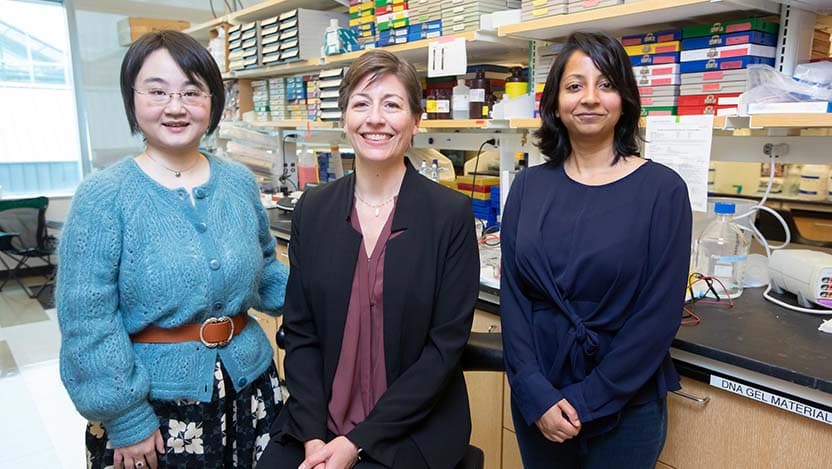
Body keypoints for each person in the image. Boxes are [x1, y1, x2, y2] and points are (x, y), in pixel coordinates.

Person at [57, 30, 289, 469]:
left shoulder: (238, 181)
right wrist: (125, 419)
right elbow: (88, 322)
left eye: (191, 91)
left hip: (252, 392)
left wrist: (338, 288)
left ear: (212, 101)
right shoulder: (103, 196)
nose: (176, 107)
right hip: (153, 412)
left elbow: (266, 273)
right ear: (132, 98)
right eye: (158, 91)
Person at [258, 49, 480, 469]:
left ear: (415, 121)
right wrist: (312, 439)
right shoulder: (314, 209)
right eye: (361, 103)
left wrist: (355, 443)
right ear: (345, 118)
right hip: (318, 422)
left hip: (413, 428)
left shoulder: (449, 215)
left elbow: (443, 351)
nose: (375, 118)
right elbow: (301, 333)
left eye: (392, 105)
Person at [500, 31, 692, 468]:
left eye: (606, 84)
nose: (590, 98)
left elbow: (658, 316)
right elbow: (514, 299)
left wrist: (588, 400)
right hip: (540, 401)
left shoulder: (662, 191)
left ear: (625, 98)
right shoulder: (528, 186)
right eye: (574, 86)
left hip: (626, 404)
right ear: (555, 101)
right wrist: (534, 391)